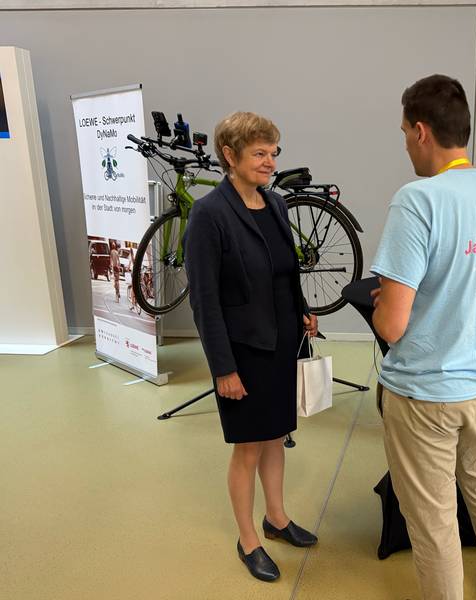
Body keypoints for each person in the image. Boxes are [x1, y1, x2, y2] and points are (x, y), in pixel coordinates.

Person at [370, 74, 476, 600]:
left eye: (401, 132)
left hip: (423, 394)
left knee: (434, 521)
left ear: (420, 132)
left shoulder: (417, 201)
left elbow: (392, 325)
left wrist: (380, 305)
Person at [184, 111, 319, 583]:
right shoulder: (208, 215)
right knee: (247, 449)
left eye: (273, 152)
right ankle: (248, 540)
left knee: (275, 436)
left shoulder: (276, 204)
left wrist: (302, 311)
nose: (270, 161)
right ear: (230, 155)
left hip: (282, 341)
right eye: (260, 153)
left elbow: (284, 271)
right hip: (243, 350)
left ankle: (276, 518)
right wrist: (223, 368)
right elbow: (204, 300)